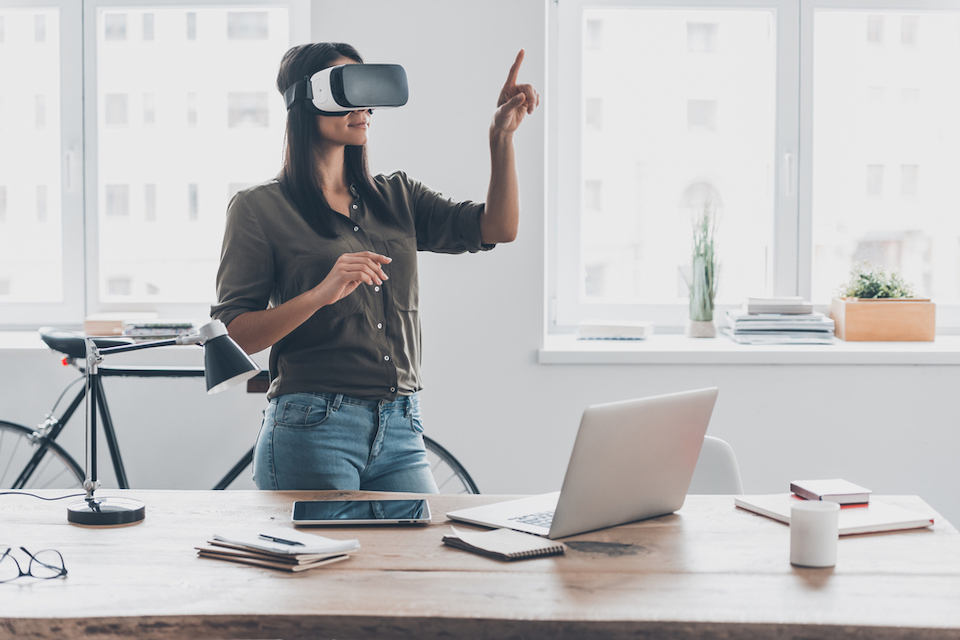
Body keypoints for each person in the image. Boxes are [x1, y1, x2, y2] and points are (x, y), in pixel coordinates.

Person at [211, 42, 539, 492]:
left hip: (402, 426)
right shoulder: (258, 208)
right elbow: (235, 335)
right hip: (312, 426)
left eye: (368, 91)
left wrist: (501, 137)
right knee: (325, 563)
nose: (364, 106)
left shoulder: (397, 196)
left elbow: (498, 227)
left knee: (418, 559)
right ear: (304, 100)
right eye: (348, 90)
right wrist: (321, 293)